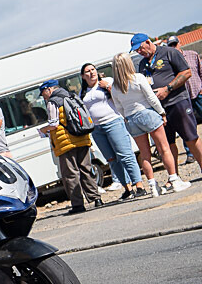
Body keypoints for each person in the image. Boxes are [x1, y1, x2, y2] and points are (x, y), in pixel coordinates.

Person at [110, 53, 192, 196]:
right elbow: (151, 98)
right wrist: (161, 112)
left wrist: (127, 117)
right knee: (164, 148)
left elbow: (119, 108)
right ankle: (174, 180)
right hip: (147, 113)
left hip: (131, 119)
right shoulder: (138, 78)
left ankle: (153, 186)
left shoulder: (115, 87)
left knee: (145, 155)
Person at [132, 33, 202, 173]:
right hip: (159, 109)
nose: (139, 52)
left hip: (178, 102)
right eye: (136, 50)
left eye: (140, 48)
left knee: (190, 138)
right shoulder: (142, 64)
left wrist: (167, 88)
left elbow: (186, 72)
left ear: (148, 42)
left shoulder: (169, 52)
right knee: (167, 144)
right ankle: (174, 177)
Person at [79, 62, 147, 200]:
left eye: (93, 69)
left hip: (113, 122)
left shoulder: (107, 82)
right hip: (97, 129)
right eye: (88, 71)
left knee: (125, 155)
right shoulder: (83, 92)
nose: (91, 72)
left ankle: (139, 185)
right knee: (111, 159)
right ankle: (127, 188)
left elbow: (121, 96)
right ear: (83, 76)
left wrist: (108, 87)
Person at [38, 79, 103, 214]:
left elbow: (54, 124)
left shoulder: (53, 102)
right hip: (82, 138)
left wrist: (43, 130)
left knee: (70, 174)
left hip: (66, 143)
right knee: (86, 169)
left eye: (43, 93)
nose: (43, 97)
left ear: (49, 89)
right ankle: (96, 199)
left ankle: (78, 205)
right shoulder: (72, 96)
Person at [167, 35, 202, 163]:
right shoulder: (170, 61)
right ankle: (190, 153)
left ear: (179, 43)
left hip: (197, 92)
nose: (173, 47)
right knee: (186, 127)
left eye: (175, 44)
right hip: (182, 97)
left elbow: (201, 71)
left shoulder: (192, 55)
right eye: (171, 45)